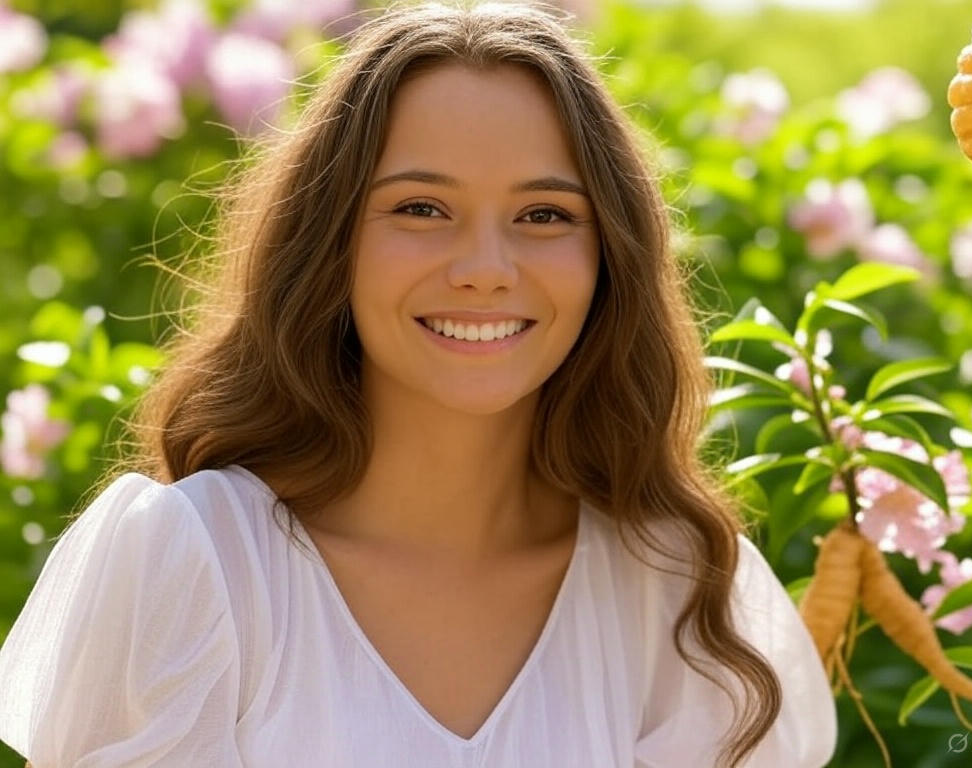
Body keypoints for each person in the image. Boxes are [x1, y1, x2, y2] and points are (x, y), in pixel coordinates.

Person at [0, 1, 837, 766]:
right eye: (420, 210)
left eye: (544, 215)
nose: (485, 269)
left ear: (608, 258)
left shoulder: (673, 590)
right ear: (332, 244)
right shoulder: (196, 564)